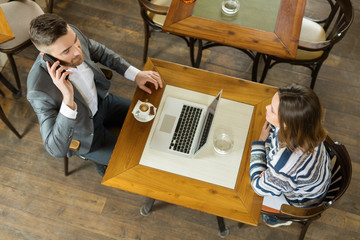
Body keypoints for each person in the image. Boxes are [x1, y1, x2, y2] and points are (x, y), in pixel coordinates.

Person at [27, 13, 163, 176]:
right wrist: (68, 99)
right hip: (84, 132)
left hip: (103, 103)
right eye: (67, 51)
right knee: (136, 161)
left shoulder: (70, 36)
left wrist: (135, 74)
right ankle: (100, 162)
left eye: (76, 41)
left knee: (156, 116)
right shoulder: (38, 90)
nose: (77, 51)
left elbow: (99, 51)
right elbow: (55, 149)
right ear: (47, 56)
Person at [249, 83, 331, 227]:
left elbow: (257, 187)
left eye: (273, 111)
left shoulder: (286, 162)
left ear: (288, 123)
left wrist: (260, 142)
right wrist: (271, 172)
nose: (267, 108)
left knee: (249, 196)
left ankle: (278, 219)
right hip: (317, 182)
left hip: (302, 202)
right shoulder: (307, 127)